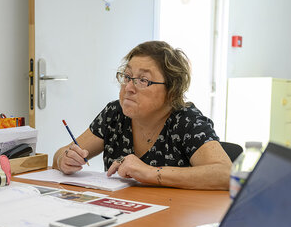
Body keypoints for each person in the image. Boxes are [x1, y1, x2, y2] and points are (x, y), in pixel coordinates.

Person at [53, 40, 231, 190]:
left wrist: (150, 173)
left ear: (171, 90)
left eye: (143, 80)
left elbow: (226, 174)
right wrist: (65, 159)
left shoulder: (185, 121)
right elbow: (60, 154)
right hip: (120, 213)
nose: (128, 88)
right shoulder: (114, 114)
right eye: (127, 76)